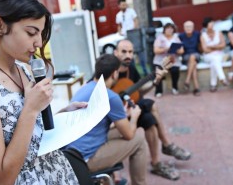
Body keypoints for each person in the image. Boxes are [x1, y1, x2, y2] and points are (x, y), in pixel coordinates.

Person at [0, 0, 88, 185]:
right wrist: (31, 109)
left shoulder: (24, 69)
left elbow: (31, 133)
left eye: (41, 33)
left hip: (58, 173)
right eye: (31, 32)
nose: (38, 42)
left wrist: (64, 114)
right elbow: (1, 178)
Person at [114, 39, 192, 180]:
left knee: (150, 119)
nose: (128, 55)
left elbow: (139, 92)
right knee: (151, 104)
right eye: (124, 51)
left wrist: (155, 81)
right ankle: (167, 144)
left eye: (131, 52)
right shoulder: (109, 71)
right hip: (116, 117)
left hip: (131, 111)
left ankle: (156, 163)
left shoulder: (131, 68)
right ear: (115, 53)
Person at [66, 54, 147, 185]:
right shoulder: (110, 96)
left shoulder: (85, 87)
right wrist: (135, 116)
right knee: (139, 138)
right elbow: (129, 134)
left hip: (71, 153)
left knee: (119, 131)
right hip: (85, 159)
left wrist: (122, 117)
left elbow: (97, 125)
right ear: (115, 73)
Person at [116, 0, 148, 76]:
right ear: (119, 6)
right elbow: (119, 25)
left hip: (133, 34)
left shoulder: (131, 11)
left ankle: (145, 71)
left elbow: (136, 20)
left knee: (140, 53)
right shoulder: (118, 15)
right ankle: (134, 73)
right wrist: (120, 31)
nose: (124, 6)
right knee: (129, 55)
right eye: (122, 5)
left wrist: (135, 29)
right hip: (126, 36)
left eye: (125, 4)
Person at [153, 23, 184, 97]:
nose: (170, 30)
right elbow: (156, 50)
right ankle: (158, 91)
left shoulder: (176, 38)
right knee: (158, 72)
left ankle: (175, 87)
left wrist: (175, 50)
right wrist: (166, 49)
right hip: (160, 60)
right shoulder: (159, 38)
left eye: (171, 28)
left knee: (175, 70)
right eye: (168, 28)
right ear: (164, 30)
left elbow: (182, 50)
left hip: (173, 60)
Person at [200, 17, 228, 92]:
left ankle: (213, 85)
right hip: (208, 56)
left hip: (219, 55)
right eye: (210, 23)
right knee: (215, 59)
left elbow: (223, 45)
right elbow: (205, 50)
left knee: (214, 63)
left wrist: (212, 46)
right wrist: (217, 47)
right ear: (206, 25)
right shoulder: (203, 35)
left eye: (212, 23)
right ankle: (222, 78)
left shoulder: (219, 33)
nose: (212, 25)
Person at [179, 21, 201, 96]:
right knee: (193, 63)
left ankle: (187, 80)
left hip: (196, 54)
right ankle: (196, 87)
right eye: (187, 27)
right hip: (185, 56)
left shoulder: (197, 34)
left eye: (190, 26)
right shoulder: (181, 36)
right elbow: (179, 49)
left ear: (193, 27)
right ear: (184, 28)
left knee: (192, 57)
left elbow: (201, 46)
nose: (188, 28)